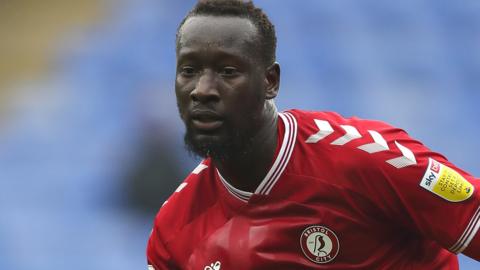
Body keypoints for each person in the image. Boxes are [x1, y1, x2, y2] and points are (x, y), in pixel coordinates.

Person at [147, 0, 480, 269]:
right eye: (188, 71)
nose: (202, 90)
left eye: (228, 71)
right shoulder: (174, 232)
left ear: (270, 82)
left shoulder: (369, 160)